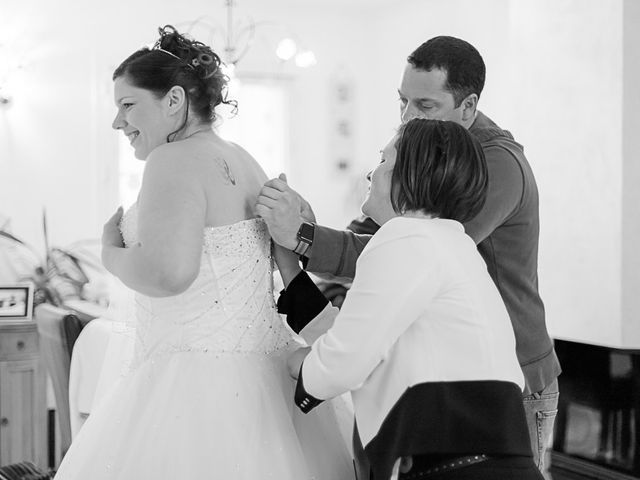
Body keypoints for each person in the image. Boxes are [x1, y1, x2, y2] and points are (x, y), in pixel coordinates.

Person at [54, 25, 353, 479]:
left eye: (127, 105)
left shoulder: (171, 160)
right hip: (268, 381)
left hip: (192, 389)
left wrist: (110, 251)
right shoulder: (247, 160)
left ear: (174, 101)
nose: (118, 122)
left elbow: (170, 273)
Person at [257, 36, 560, 475]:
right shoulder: (422, 171)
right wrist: (296, 247)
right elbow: (370, 244)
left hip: (503, 386)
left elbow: (384, 251)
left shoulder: (485, 172)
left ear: (468, 106)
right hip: (436, 390)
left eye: (424, 105)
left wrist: (303, 236)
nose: (405, 119)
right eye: (402, 102)